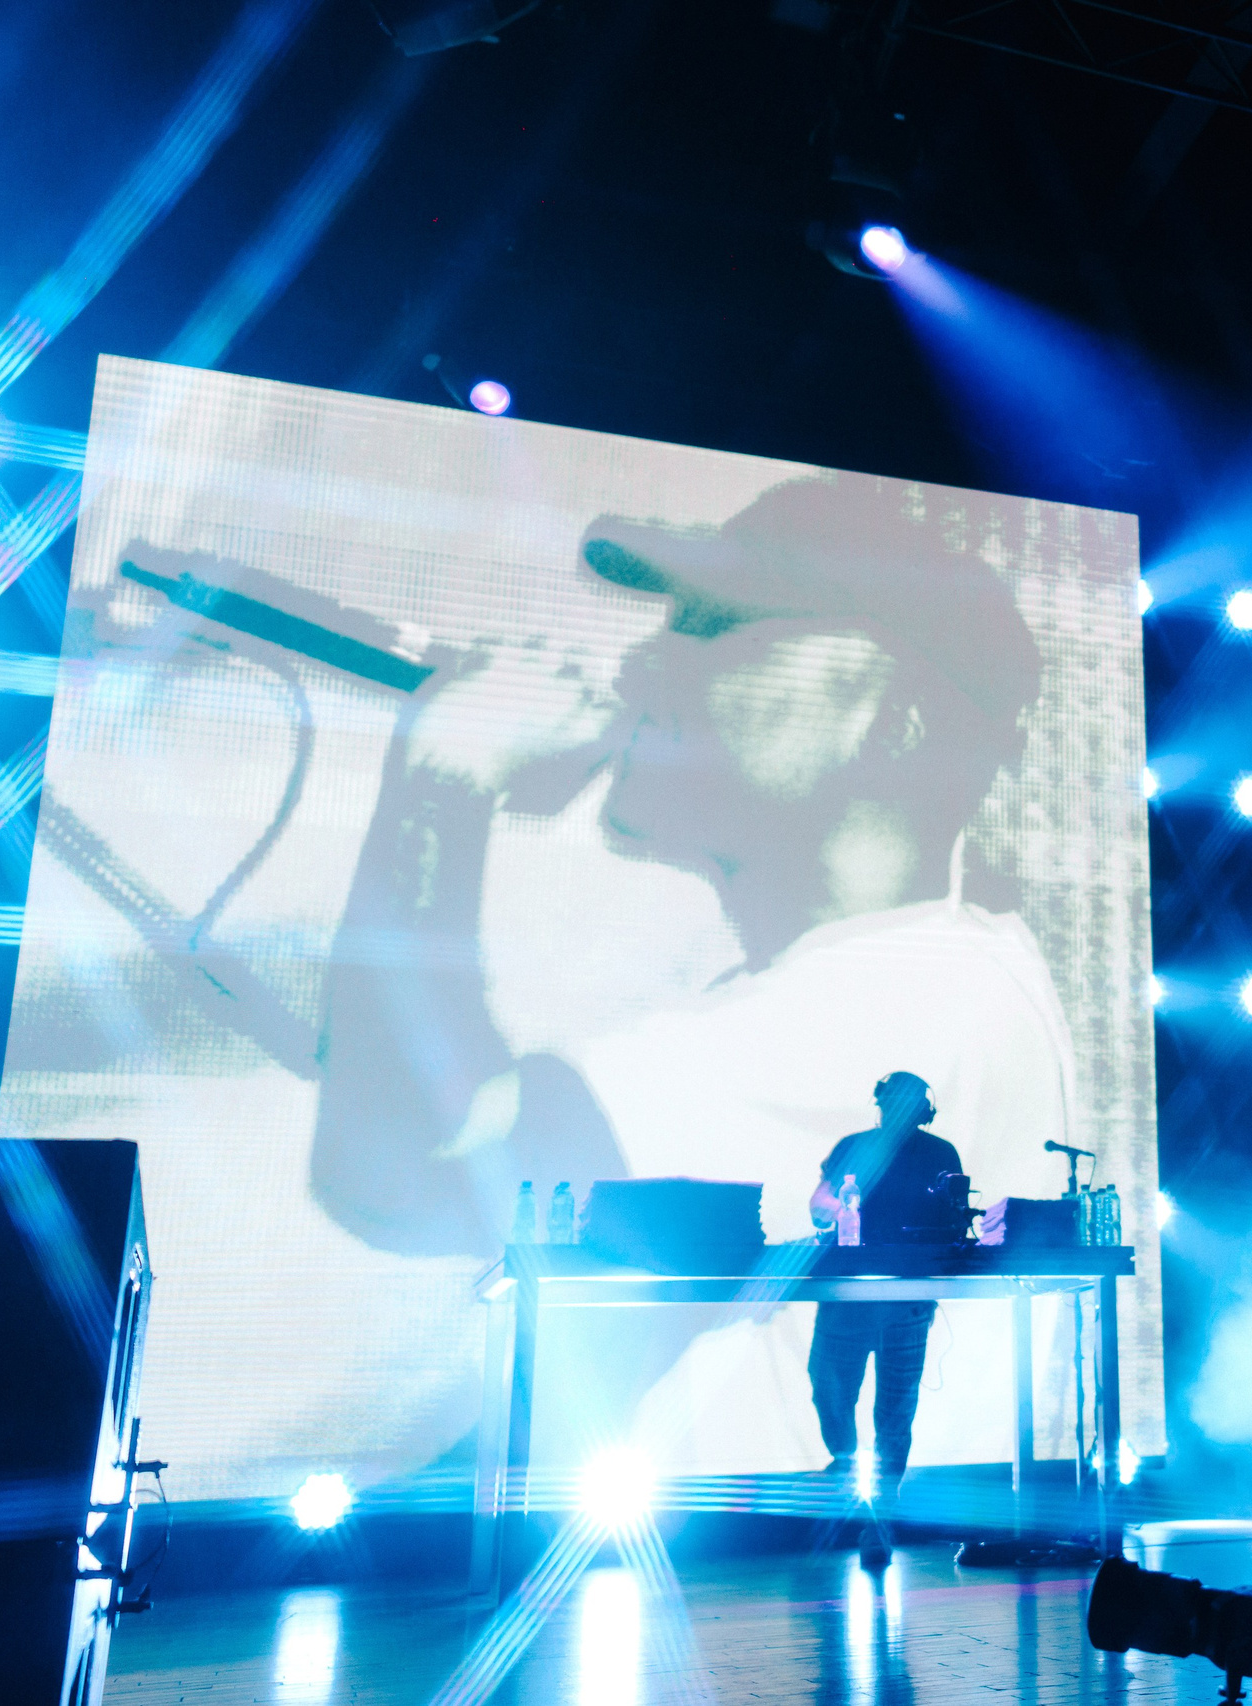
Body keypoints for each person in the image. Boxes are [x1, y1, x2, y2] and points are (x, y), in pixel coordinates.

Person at [310, 471, 1075, 1467]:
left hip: (767, 1584)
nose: (640, 665)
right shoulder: (948, 966)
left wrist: (446, 775)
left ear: (898, 726)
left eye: (717, 627)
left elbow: (399, 1172)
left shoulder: (908, 992)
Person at [805, 1071, 962, 1564]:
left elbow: (955, 1215)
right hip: (848, 1295)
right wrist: (837, 1209)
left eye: (906, 1104)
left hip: (906, 1300)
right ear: (881, 1104)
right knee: (828, 1387)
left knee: (894, 1414)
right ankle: (848, 1470)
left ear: (922, 1110)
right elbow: (819, 1202)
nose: (896, 1111)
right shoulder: (853, 1146)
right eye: (890, 1102)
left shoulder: (942, 1155)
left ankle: (880, 1520)